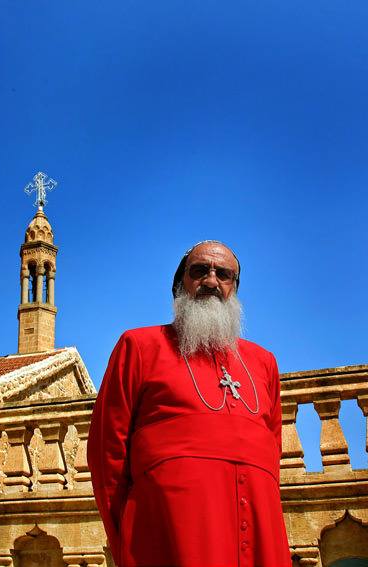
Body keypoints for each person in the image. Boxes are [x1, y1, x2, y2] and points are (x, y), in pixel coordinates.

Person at [88, 240, 291, 567]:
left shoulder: (264, 363)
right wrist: (127, 540)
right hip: (169, 539)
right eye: (199, 271)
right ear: (179, 284)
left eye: (223, 275)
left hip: (261, 535)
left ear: (234, 289)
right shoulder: (138, 347)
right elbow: (106, 456)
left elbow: (273, 451)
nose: (211, 281)